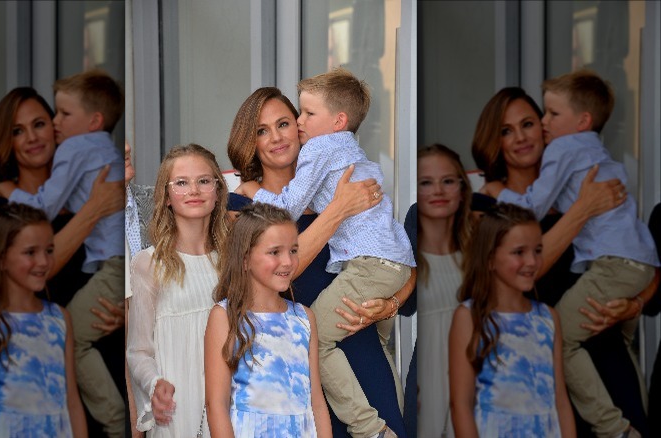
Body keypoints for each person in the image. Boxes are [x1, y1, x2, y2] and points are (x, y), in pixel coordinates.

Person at [236, 69, 414, 438]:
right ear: (248, 141)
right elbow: (268, 281)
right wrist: (337, 211)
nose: (279, 136)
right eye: (261, 130)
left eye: (286, 122)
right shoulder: (243, 203)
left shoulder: (342, 181)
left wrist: (391, 305)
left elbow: (399, 261)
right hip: (299, 371)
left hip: (362, 353)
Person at [483, 71, 659, 437]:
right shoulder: (486, 205)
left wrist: (635, 305)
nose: (523, 136)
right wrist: (581, 210)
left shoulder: (580, 178)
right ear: (493, 141)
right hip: (545, 379)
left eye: (531, 122)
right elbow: (522, 276)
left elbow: (648, 267)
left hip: (606, 362)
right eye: (506, 130)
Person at [0, 85, 126, 436]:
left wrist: (126, 307)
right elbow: (35, 273)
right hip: (38, 354)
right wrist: (93, 210)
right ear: (6, 141)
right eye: (18, 131)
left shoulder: (90, 182)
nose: (32, 137)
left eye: (40, 123)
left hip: (98, 341)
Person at [127, 144, 229, 437]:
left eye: (204, 181)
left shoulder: (234, 259)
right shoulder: (148, 264)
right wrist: (155, 384)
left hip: (232, 402)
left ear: (218, 190)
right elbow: (138, 350)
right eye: (181, 183)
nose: (193, 190)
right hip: (178, 408)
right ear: (167, 196)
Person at [204, 202, 331, 437]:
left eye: (293, 250)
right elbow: (216, 405)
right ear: (245, 259)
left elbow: (316, 402)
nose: (288, 261)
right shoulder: (225, 317)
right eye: (275, 252)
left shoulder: (304, 318)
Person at [449, 202, 576, 437]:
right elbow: (461, 405)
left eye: (537, 250)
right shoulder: (468, 317)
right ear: (489, 258)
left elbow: (561, 400)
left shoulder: (549, 317)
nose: (532, 261)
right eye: (519, 252)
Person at [0, 203, 87, 437]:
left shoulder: (60, 318)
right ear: (0, 258)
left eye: (49, 250)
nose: (43, 261)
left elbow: (72, 402)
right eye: (30, 252)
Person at [416, 144, 475, 438]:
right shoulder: (406, 259)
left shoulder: (478, 256)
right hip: (422, 383)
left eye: (448, 181)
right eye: (425, 182)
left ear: (463, 189)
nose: (437, 190)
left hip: (473, 383)